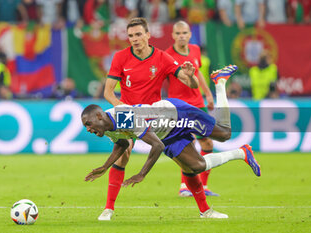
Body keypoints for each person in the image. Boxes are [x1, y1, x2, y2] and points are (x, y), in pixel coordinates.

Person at [82, 65, 261, 219]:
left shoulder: (124, 117)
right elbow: (121, 144)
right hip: (166, 133)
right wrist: (104, 167)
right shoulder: (106, 127)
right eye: (86, 127)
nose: (89, 129)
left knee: (225, 134)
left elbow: (157, 145)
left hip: (177, 115)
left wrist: (142, 174)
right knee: (195, 167)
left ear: (99, 116)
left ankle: (220, 83)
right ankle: (241, 155)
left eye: (89, 124)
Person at [100, 17, 199, 221]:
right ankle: (108, 208)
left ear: (147, 35)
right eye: (130, 36)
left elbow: (192, 85)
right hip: (128, 112)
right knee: (123, 152)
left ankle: (205, 210)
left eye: (138, 35)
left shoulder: (162, 58)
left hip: (155, 116)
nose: (134, 39)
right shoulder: (120, 57)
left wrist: (191, 75)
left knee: (186, 161)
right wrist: (125, 110)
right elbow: (108, 93)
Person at [165, 21, 217, 197]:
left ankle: (204, 185)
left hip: (198, 102)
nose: (181, 36)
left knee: (207, 143)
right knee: (188, 144)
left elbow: (198, 73)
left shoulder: (195, 49)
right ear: (173, 35)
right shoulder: (167, 56)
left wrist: (208, 94)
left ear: (189, 34)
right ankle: (184, 186)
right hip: (179, 106)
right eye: (178, 33)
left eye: (184, 32)